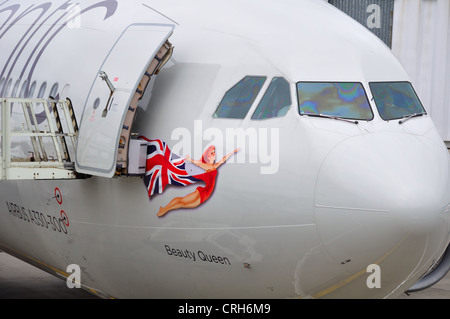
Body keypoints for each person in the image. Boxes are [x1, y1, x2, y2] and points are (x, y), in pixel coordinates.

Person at [157, 145, 239, 217]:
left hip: (205, 196)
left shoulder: (213, 166)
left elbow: (223, 159)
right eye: (212, 153)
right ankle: (164, 209)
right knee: (181, 201)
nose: (214, 154)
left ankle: (164, 209)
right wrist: (190, 160)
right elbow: (198, 164)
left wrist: (233, 152)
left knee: (182, 204)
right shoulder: (208, 167)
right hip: (202, 193)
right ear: (208, 156)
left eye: (214, 152)